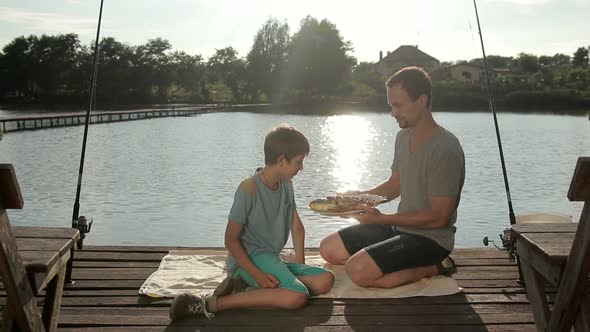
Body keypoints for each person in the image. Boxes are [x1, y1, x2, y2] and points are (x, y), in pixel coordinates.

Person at [319, 66, 465, 289]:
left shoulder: (445, 149)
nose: (393, 113)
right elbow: (395, 184)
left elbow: (439, 218)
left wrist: (381, 219)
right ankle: (387, 261)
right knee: (328, 249)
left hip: (431, 239)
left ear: (422, 100)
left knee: (357, 270)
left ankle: (436, 266)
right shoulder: (403, 136)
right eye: (391, 106)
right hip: (400, 228)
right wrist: (356, 200)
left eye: (399, 105)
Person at [170, 124, 334, 320]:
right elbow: (230, 240)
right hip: (248, 261)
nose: (301, 168)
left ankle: (249, 288)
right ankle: (211, 303)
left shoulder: (286, 186)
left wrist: (299, 264)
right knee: (298, 296)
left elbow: (297, 228)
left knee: (325, 280)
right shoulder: (249, 188)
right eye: (298, 162)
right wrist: (257, 274)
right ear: (281, 160)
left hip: (271, 258)